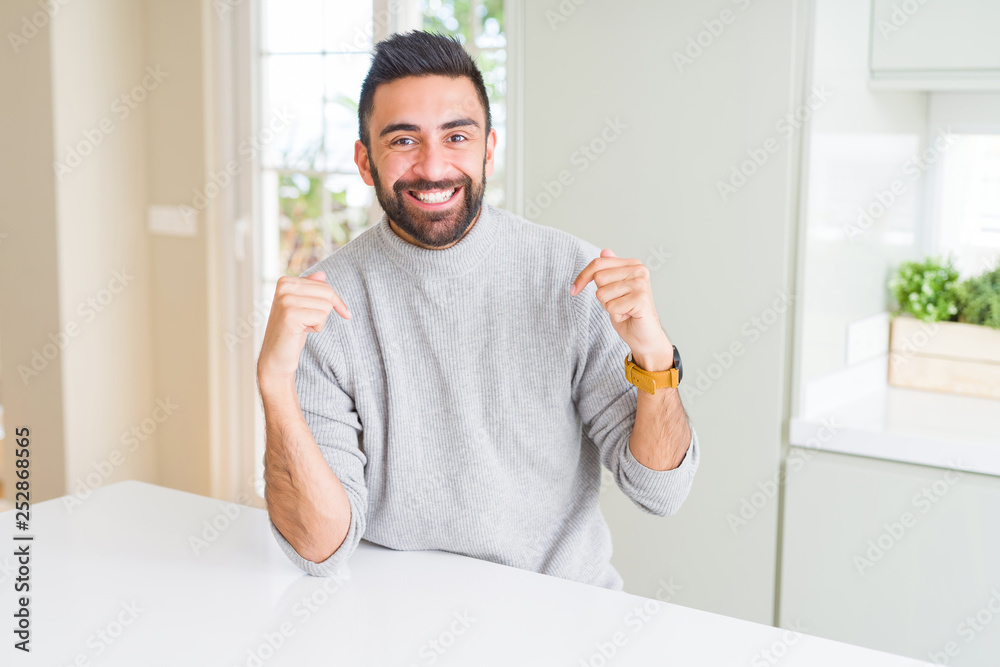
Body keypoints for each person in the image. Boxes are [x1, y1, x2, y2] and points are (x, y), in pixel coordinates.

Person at [257, 30, 699, 591]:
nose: (433, 166)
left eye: (456, 136)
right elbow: (319, 550)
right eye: (402, 141)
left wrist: (655, 356)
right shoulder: (325, 307)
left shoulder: (572, 275)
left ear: (488, 148)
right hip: (394, 614)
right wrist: (276, 383)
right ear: (365, 162)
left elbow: (660, 491)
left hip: (558, 614)